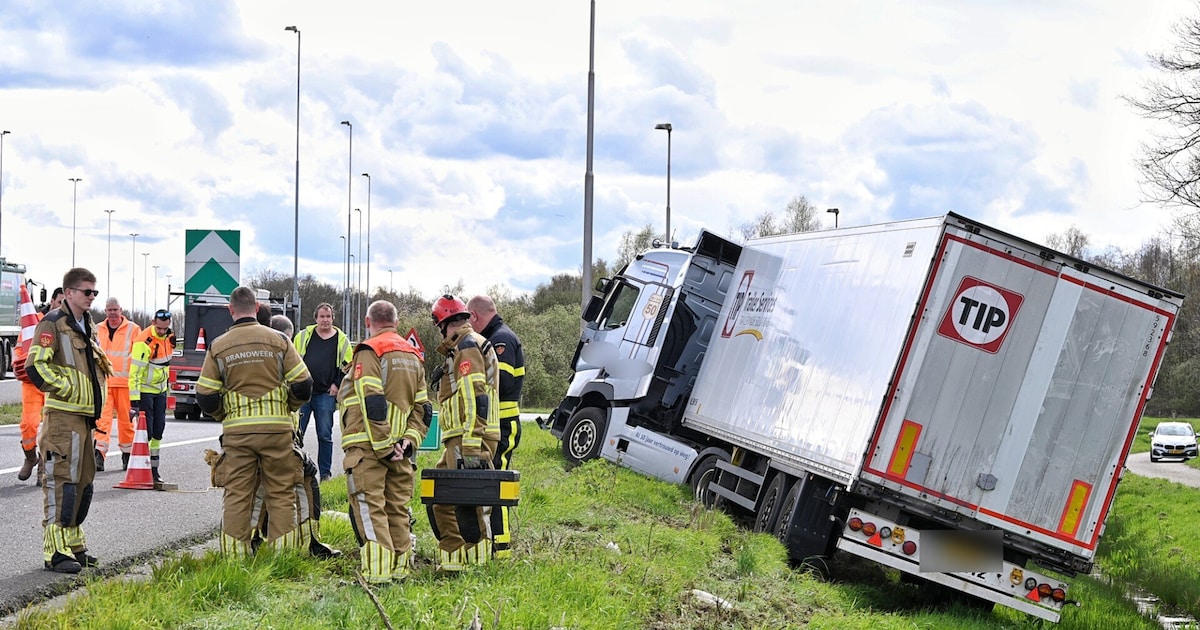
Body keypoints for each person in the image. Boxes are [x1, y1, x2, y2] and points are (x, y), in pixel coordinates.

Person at [196, 286, 313, 558]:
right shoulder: (279, 341)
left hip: (238, 435)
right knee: (281, 493)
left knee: (237, 495)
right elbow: (303, 384)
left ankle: (235, 560)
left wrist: (223, 414)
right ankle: (282, 559)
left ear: (231, 310)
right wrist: (288, 407)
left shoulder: (219, 346)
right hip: (277, 432)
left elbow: (205, 395)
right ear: (257, 308)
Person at [25, 268, 113, 573]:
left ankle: (74, 544)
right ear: (70, 292)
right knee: (61, 483)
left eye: (94, 292)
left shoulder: (88, 325)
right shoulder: (53, 324)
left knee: (84, 483)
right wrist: (67, 387)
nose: (91, 297)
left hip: (85, 419)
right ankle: (54, 551)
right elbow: (35, 366)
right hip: (63, 418)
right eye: (87, 292)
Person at [338, 300, 429, 582]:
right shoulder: (414, 355)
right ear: (396, 322)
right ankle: (401, 571)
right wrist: (408, 442)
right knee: (397, 510)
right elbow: (423, 409)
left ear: (368, 322)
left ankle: (377, 575)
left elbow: (372, 399)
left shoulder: (369, 350)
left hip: (370, 446)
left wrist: (385, 447)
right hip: (402, 448)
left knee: (370, 507)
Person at [429, 294, 499, 570]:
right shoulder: (463, 346)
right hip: (460, 436)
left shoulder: (467, 346)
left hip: (470, 436)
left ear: (443, 323)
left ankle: (476, 565)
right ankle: (455, 559)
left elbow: (475, 397)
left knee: (470, 502)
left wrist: (471, 445)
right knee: (441, 497)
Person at [264, 313, 340, 559]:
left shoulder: (252, 356)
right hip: (277, 436)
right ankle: (307, 543)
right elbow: (302, 386)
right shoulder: (284, 357)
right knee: (305, 483)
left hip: (244, 435)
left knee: (253, 493)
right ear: (287, 336)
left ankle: (255, 541)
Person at [467, 295, 525, 559]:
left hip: (503, 424)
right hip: (498, 424)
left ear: (475, 317)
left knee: (496, 484)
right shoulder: (496, 336)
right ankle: (495, 542)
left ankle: (501, 548)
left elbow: (498, 384)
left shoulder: (501, 340)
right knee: (492, 483)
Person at [292, 303, 353, 481]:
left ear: (333, 318)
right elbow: (293, 360)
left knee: (325, 435)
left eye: (328, 316)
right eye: (322, 316)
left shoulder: (342, 339)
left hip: (326, 394)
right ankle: (296, 471)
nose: (325, 320)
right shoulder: (303, 336)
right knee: (296, 434)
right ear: (316, 318)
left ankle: (325, 474)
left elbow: (348, 366)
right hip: (303, 393)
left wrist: (337, 384)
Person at [129, 309, 176, 486]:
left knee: (158, 431)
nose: (163, 331)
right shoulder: (144, 340)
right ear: (153, 322)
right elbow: (134, 373)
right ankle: (141, 467)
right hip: (145, 391)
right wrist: (134, 401)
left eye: (166, 328)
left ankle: (155, 469)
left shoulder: (169, 336)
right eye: (160, 328)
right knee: (146, 431)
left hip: (161, 391)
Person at [95, 298, 141, 472]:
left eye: (115, 309)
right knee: (101, 420)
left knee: (126, 422)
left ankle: (127, 455)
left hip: (125, 384)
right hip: (104, 383)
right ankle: (98, 454)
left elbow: (140, 356)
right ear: (105, 311)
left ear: (121, 310)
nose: (112, 313)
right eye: (109, 310)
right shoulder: (98, 329)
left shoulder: (133, 330)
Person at [14, 286, 47, 484]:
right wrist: (18, 363)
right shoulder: (32, 324)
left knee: (52, 427)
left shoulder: (66, 325)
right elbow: (20, 348)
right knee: (29, 424)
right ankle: (30, 457)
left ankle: (43, 470)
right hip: (31, 383)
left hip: (53, 382)